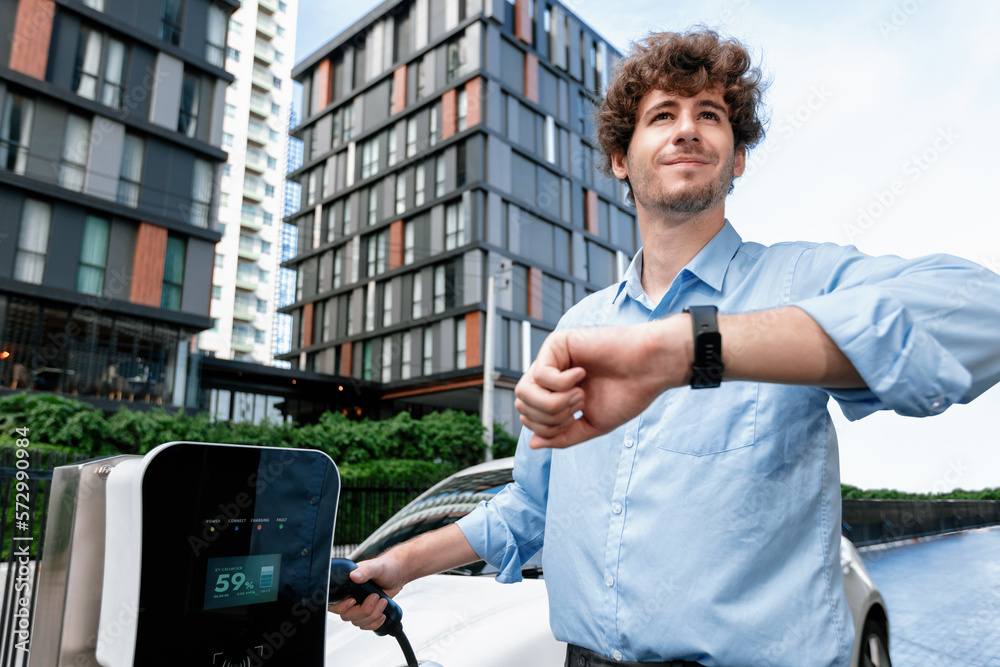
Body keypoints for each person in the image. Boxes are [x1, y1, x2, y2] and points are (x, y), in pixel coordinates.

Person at [332, 29, 1000, 666]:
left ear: (736, 158)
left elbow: (982, 314)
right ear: (621, 159)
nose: (686, 127)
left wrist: (690, 347)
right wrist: (400, 565)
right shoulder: (581, 325)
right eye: (662, 115)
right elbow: (532, 507)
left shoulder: (801, 280)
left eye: (710, 114)